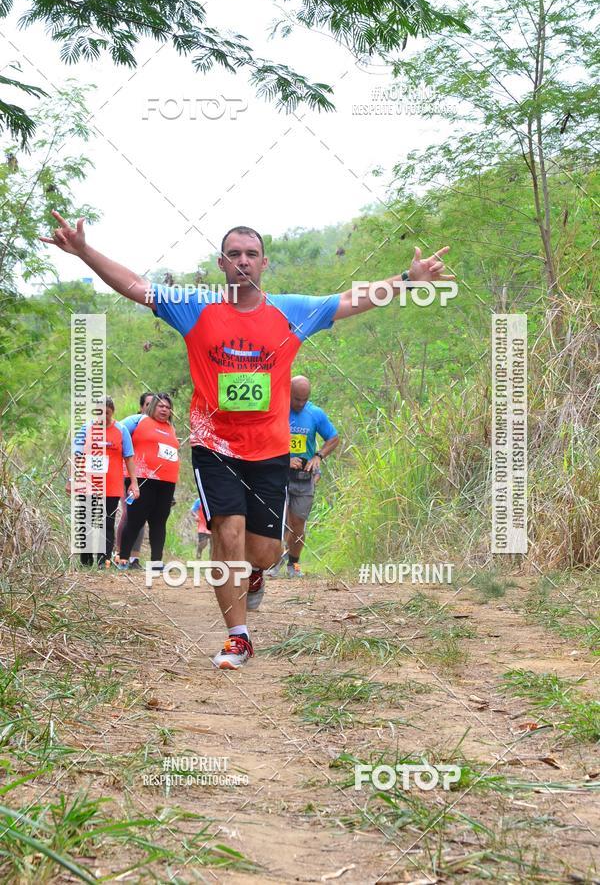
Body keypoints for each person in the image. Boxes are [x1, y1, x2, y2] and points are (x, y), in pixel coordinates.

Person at [41, 212, 454, 670]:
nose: (242, 261)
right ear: (221, 262)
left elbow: (350, 300)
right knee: (227, 531)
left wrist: (407, 279)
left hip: (271, 451)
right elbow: (137, 286)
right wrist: (83, 251)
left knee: (264, 551)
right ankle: (238, 637)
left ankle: (256, 576)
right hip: (213, 445)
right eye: (234, 254)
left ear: (264, 263)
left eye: (251, 254)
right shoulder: (194, 306)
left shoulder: (289, 311)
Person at [271, 375, 339, 578]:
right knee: (277, 520)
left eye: (304, 399)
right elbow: (263, 439)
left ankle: (293, 565)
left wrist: (318, 456)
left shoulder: (315, 413)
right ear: (288, 393)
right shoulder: (276, 411)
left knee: (298, 525)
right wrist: (285, 459)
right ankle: (271, 563)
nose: (300, 404)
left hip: (303, 477)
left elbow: (333, 438)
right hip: (278, 474)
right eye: (296, 399)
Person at [68, 396, 140, 568]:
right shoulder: (86, 429)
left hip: (111, 486)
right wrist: (71, 480)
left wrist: (134, 483)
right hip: (87, 485)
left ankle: (103, 561)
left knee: (106, 523)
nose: (102, 416)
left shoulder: (121, 430)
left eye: (106, 413)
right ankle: (86, 561)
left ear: (112, 412)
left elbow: (129, 458)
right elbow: (76, 457)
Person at [117, 393, 180, 569]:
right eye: (161, 406)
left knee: (159, 521)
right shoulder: (138, 420)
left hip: (166, 481)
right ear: (152, 407)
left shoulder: (171, 428)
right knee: (135, 519)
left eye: (168, 407)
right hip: (142, 478)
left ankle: (156, 562)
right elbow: (116, 434)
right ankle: (123, 559)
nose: (164, 410)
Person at [114, 390, 154, 568]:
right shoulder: (133, 422)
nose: (151, 408)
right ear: (141, 407)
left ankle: (134, 559)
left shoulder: (162, 426)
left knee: (142, 517)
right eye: (148, 405)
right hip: (129, 476)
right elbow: (115, 435)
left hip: (152, 479)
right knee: (129, 514)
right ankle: (119, 556)